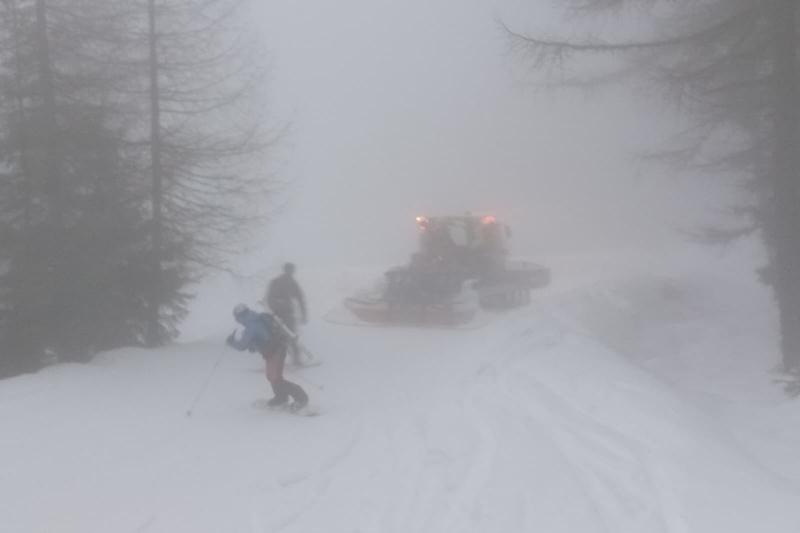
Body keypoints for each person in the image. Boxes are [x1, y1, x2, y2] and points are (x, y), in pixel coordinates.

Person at [226, 304, 308, 410]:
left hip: (275, 351)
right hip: (273, 350)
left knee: (275, 377)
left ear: (239, 317)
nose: (237, 321)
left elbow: (242, 346)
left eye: (236, 318)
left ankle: (301, 398)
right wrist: (254, 346)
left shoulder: (251, 326)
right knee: (272, 377)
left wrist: (231, 342)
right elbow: (263, 336)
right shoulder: (256, 318)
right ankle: (281, 397)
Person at [265, 262, 308, 365]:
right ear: (287, 270)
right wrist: (303, 314)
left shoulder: (285, 282)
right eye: (290, 270)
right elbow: (269, 298)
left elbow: (300, 298)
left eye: (291, 270)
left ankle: (292, 359)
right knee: (288, 335)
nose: (291, 272)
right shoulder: (280, 282)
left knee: (287, 335)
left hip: (282, 313)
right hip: (281, 313)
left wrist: (304, 313)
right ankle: (281, 359)